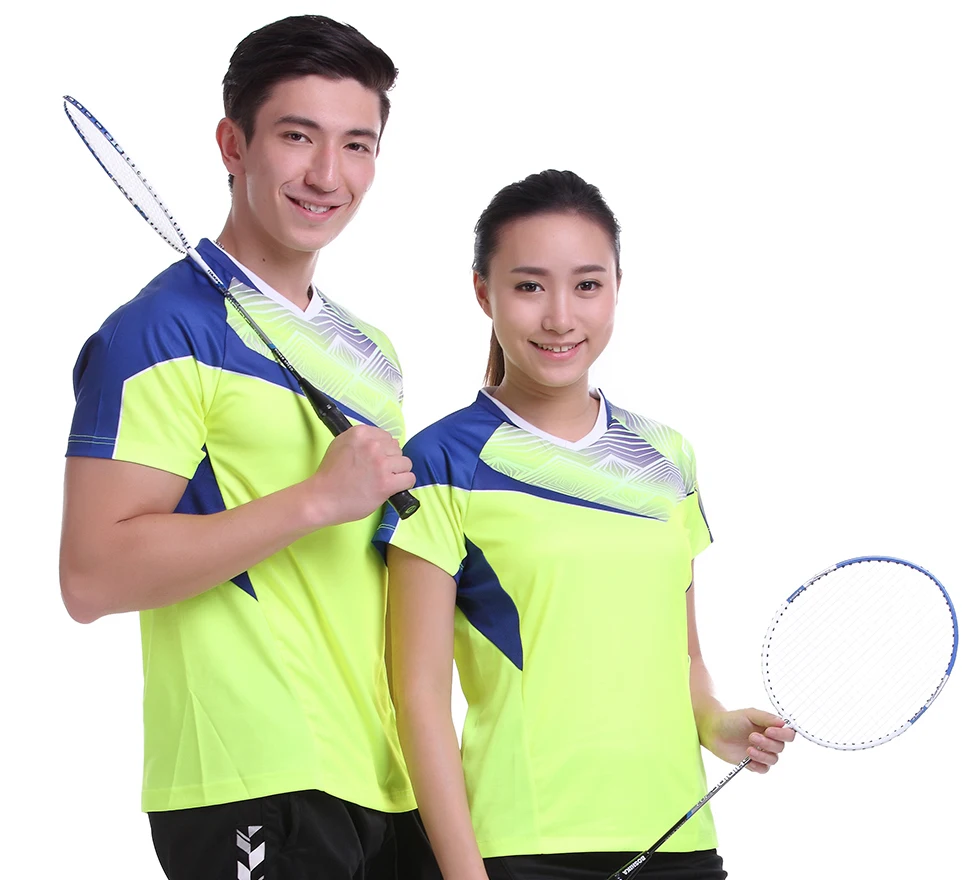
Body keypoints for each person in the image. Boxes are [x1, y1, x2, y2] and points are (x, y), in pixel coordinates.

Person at [60, 14, 438, 880]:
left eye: (357, 145)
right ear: (234, 145)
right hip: (252, 775)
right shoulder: (161, 330)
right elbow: (91, 575)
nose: (327, 175)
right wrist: (315, 500)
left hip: (385, 778)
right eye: (297, 137)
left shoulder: (371, 355)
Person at [373, 169, 795, 880]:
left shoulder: (668, 457)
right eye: (530, 286)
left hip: (680, 843)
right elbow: (416, 698)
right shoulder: (441, 461)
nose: (561, 317)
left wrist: (715, 723)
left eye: (588, 285)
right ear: (483, 292)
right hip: (521, 849)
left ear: (617, 288)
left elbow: (683, 655)